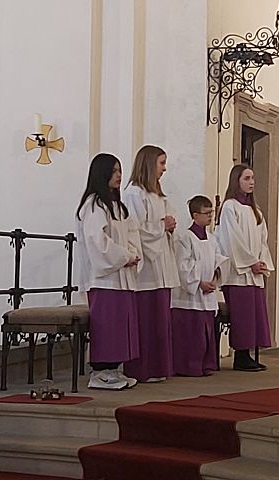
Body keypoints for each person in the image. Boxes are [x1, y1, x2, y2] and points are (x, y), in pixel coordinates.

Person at [75, 153, 142, 390]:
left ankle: (113, 369)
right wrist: (125, 257)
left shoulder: (118, 206)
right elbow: (97, 240)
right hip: (104, 279)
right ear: (102, 173)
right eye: (114, 171)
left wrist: (133, 255)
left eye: (120, 170)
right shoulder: (94, 204)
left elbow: (132, 234)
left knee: (120, 323)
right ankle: (100, 371)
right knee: (107, 324)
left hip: (121, 275)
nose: (119, 175)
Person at [122, 145, 179, 382]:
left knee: (160, 319)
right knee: (146, 319)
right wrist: (160, 227)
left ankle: (159, 367)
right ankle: (143, 369)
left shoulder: (157, 194)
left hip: (162, 262)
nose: (165, 169)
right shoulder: (135, 193)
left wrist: (170, 226)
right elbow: (135, 229)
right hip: (147, 267)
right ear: (148, 164)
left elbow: (164, 223)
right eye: (161, 163)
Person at [216, 164, 274, 372]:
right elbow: (232, 240)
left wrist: (261, 261)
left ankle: (249, 354)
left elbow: (262, 240)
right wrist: (250, 262)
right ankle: (240, 356)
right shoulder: (230, 207)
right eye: (247, 178)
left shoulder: (255, 211)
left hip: (253, 272)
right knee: (243, 316)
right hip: (238, 273)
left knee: (254, 315)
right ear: (236, 181)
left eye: (252, 178)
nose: (251, 182)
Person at [171, 195, 228, 376]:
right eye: (207, 213)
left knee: (206, 333)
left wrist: (215, 277)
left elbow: (219, 259)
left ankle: (205, 364)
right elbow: (183, 266)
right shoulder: (185, 238)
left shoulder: (211, 239)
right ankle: (188, 366)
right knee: (192, 335)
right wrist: (198, 283)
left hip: (207, 292)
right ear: (195, 215)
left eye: (212, 213)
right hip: (191, 297)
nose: (210, 217)